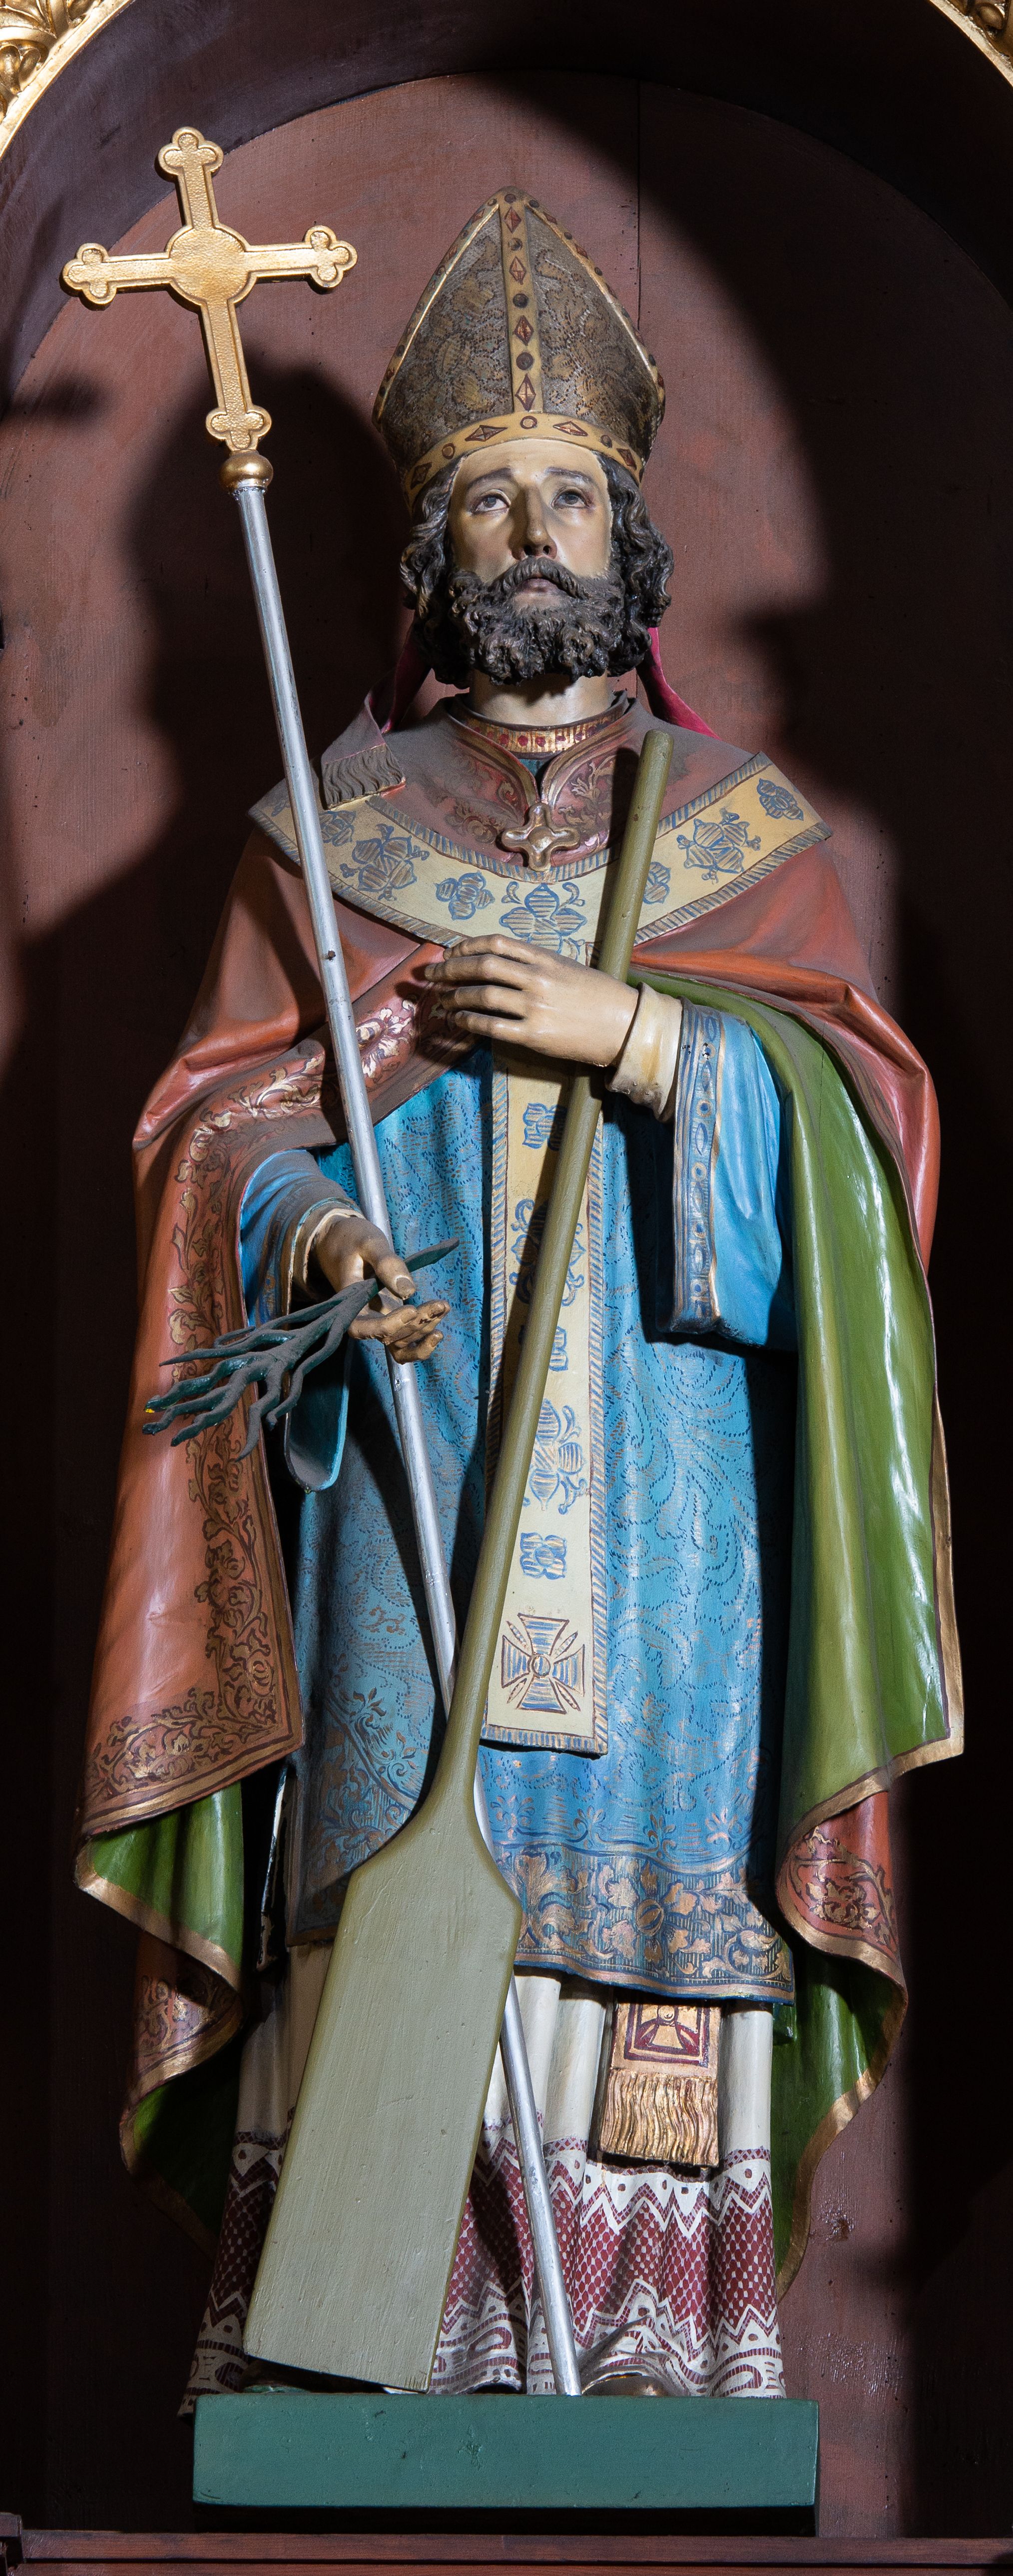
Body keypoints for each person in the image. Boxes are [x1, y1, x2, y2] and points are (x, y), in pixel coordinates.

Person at [76, 190, 961, 2403]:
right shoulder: (332, 826)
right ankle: (366, 2340)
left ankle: (645, 2362)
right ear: (433, 551)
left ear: (631, 537)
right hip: (411, 1442)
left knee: (648, 1864)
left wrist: (642, 1037)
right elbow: (216, 1128)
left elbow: (865, 1162)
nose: (535, 530)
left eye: (571, 493)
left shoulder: (743, 831)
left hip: (675, 1497)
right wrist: (313, 1236)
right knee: (395, 1829)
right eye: (492, 498)